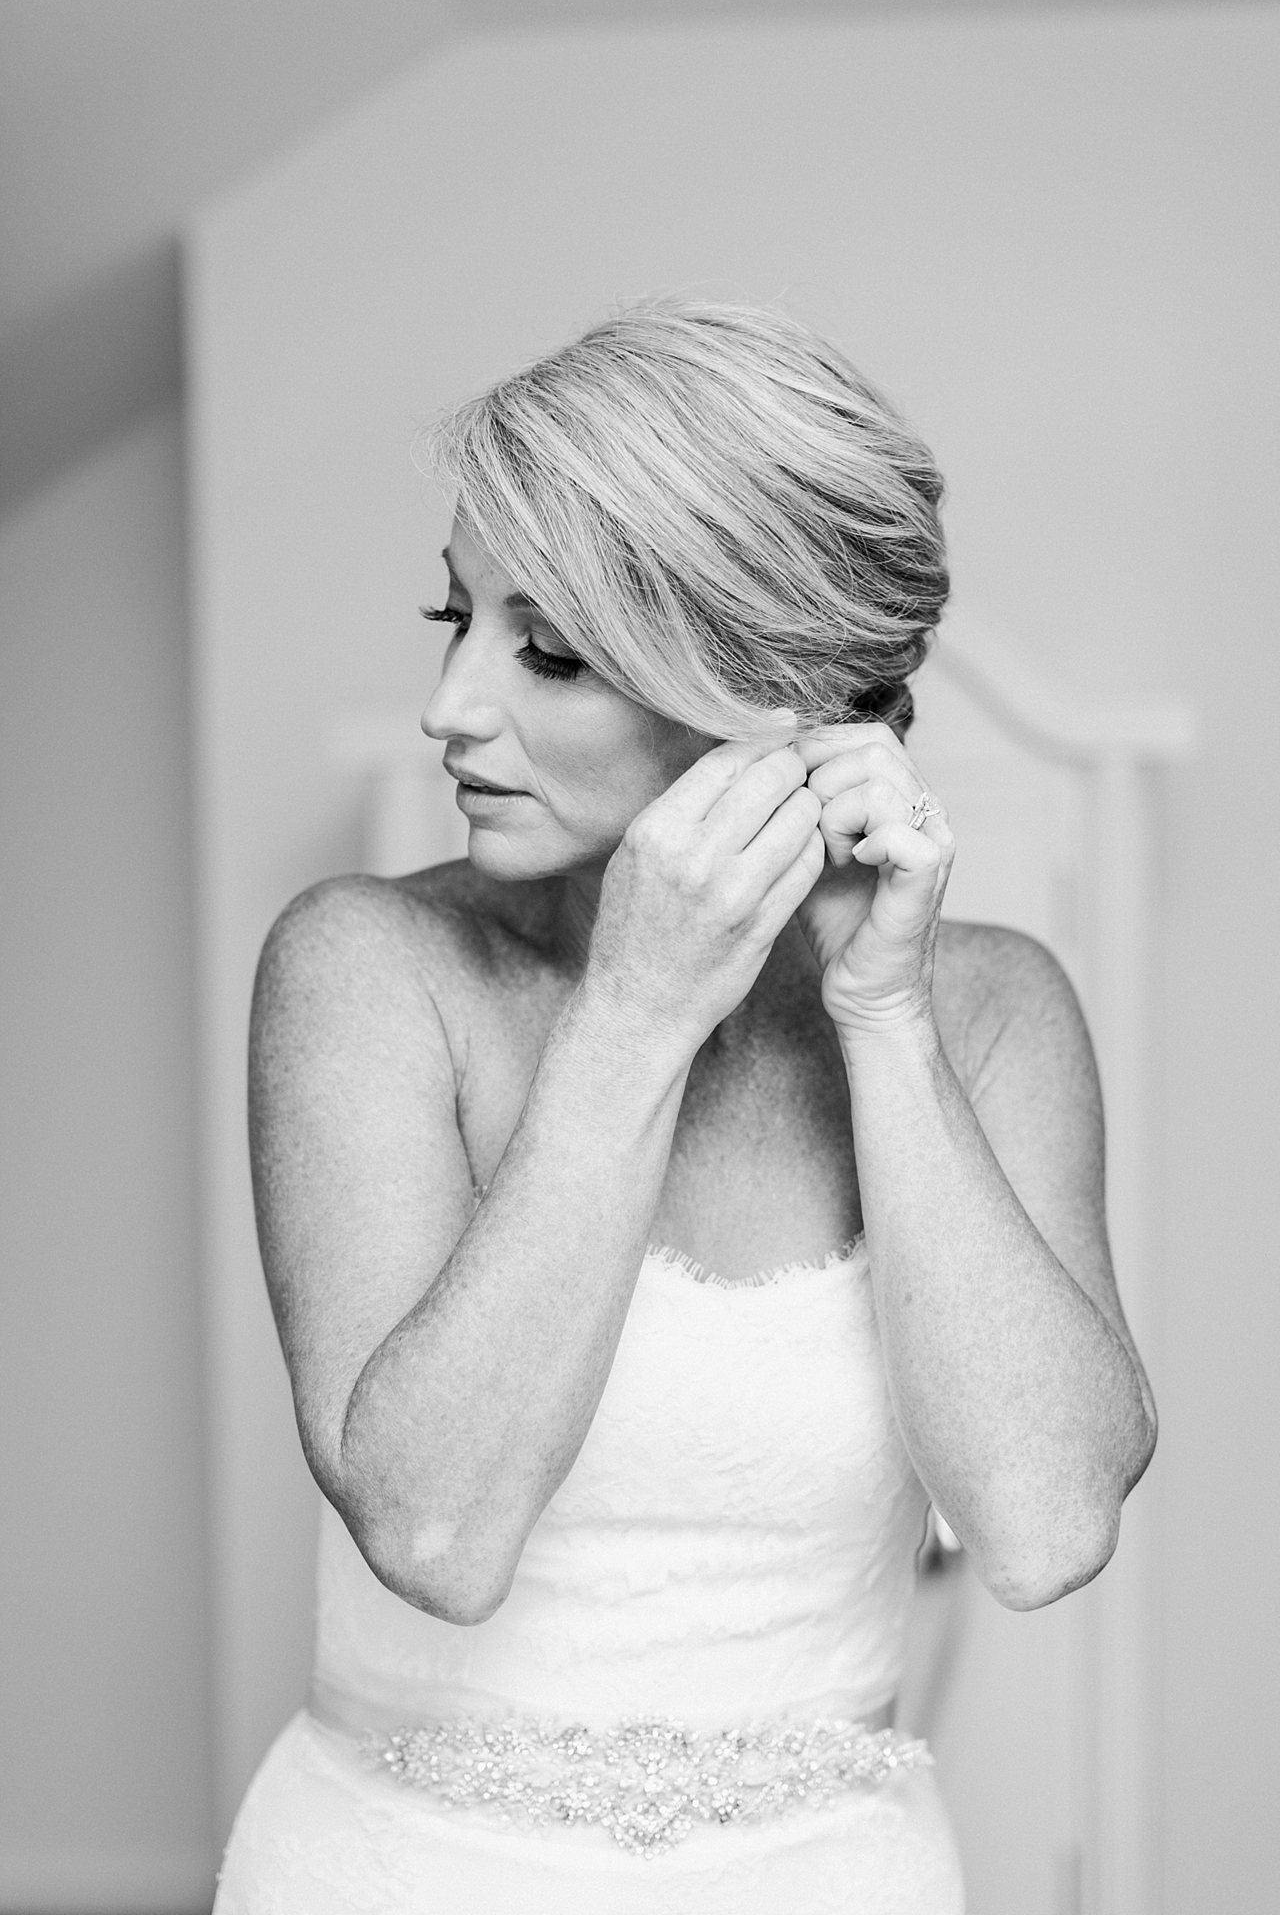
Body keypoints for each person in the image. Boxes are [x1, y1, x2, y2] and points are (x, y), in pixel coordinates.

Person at [213, 300, 1156, 1913]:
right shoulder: (368, 968)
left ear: (768, 692)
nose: (450, 707)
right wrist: (636, 1017)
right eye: (458, 622)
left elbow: (1046, 1524)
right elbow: (434, 1531)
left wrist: (886, 1022)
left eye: (547, 651)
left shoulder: (996, 1012)